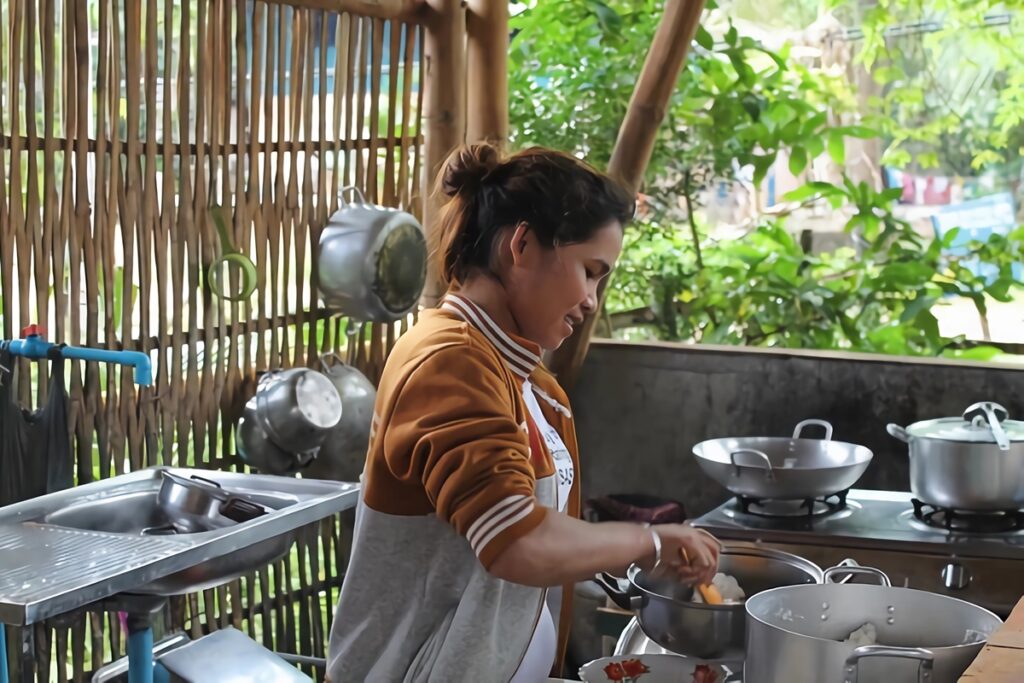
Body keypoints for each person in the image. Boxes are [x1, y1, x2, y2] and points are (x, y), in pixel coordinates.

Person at [325, 143, 721, 682]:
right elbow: (517, 542)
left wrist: (627, 555)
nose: (591, 300)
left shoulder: (524, 375)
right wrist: (650, 540)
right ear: (524, 244)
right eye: (589, 270)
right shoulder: (450, 361)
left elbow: (531, 532)